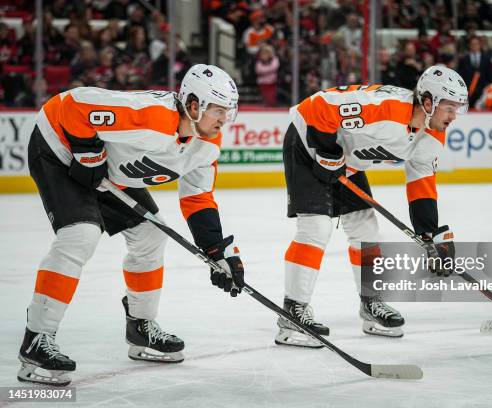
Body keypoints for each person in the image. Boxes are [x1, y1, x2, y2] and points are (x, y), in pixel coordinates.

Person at [18, 64, 246, 386]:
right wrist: (87, 152)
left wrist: (217, 250)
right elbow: (73, 106)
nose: (225, 120)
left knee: (151, 234)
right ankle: (36, 339)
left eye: (229, 112)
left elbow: (197, 198)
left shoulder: (206, 146)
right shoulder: (152, 116)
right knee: (80, 235)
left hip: (107, 171)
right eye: (219, 111)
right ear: (194, 106)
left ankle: (140, 328)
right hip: (59, 146)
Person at [276, 65, 468, 347]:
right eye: (449, 108)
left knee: (366, 227)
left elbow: (421, 182)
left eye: (458, 109)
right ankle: (292, 312)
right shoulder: (386, 108)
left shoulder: (433, 133)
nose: (453, 117)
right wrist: (327, 152)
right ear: (428, 102)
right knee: (315, 228)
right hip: (308, 143)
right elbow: (319, 105)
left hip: (346, 161)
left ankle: (370, 304)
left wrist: (430, 234)